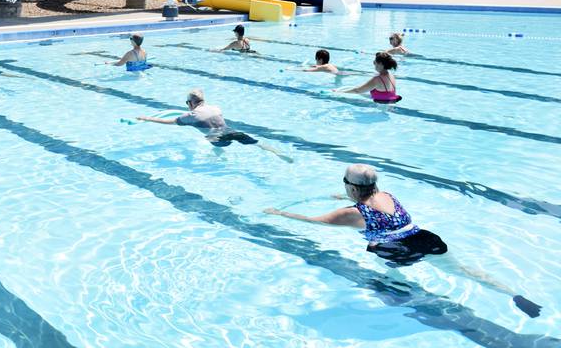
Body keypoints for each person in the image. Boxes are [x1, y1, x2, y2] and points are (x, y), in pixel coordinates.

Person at [264, 164, 542, 318]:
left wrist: (278, 212)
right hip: (424, 238)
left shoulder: (351, 214)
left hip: (395, 250)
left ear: (349, 187)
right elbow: (369, 194)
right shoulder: (388, 195)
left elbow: (313, 221)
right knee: (465, 271)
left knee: (389, 271)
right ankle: (513, 295)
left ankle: (398, 291)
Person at [137, 88, 282, 153]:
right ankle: (277, 152)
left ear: (190, 103)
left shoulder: (191, 116)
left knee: (208, 142)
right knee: (257, 143)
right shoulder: (216, 108)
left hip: (217, 139)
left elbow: (169, 122)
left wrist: (148, 118)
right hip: (232, 132)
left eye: (187, 103)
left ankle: (220, 157)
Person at [335, 51, 401, 103]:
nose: (374, 64)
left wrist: (339, 92)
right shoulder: (391, 75)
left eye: (374, 62)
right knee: (352, 89)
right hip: (390, 102)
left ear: (380, 64)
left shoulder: (377, 79)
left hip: (380, 106)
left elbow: (357, 91)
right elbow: (385, 94)